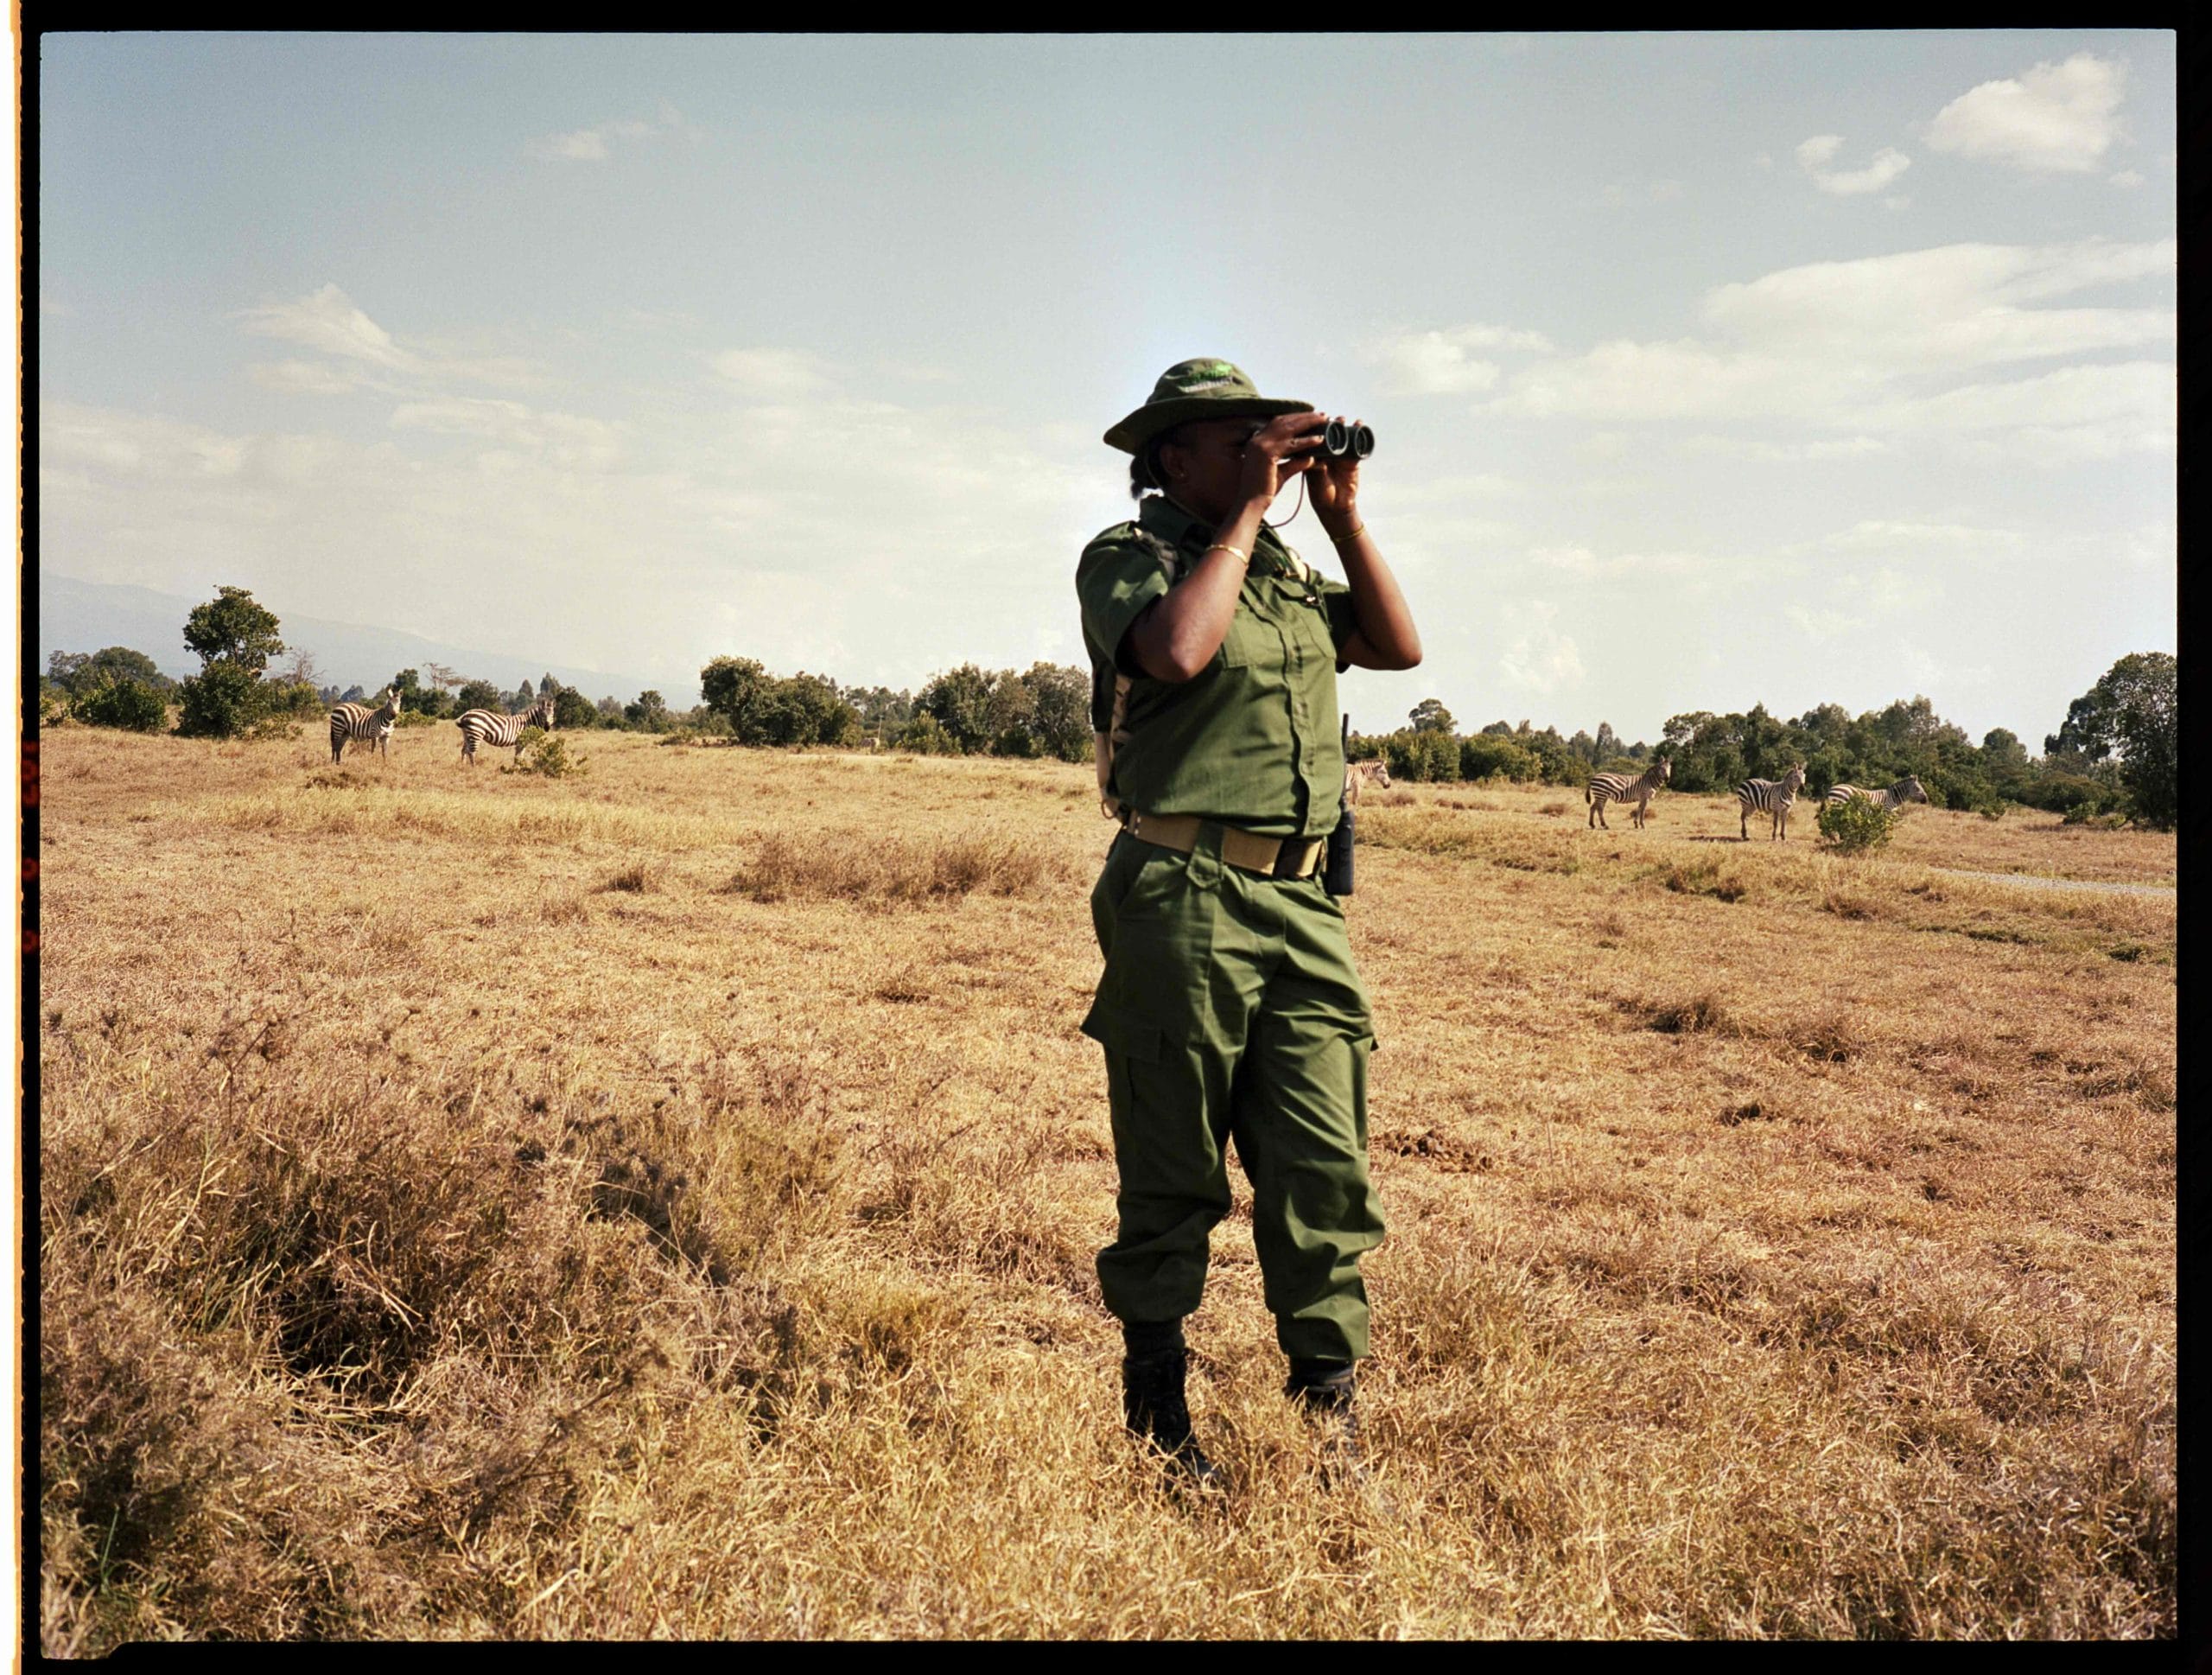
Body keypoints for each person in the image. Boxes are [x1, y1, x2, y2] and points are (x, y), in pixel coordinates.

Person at [1076, 359, 1422, 1488]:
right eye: (1238, 443)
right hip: (1183, 891)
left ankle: (1332, 1427)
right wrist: (1249, 514)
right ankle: (1159, 1423)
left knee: (1326, 1168)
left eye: (1266, 442)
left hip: (1302, 901)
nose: (1259, 459)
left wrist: (1341, 518)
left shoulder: (1278, 578)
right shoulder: (1139, 558)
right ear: (1176, 458)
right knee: (1174, 1168)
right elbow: (1176, 651)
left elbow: (1398, 645)